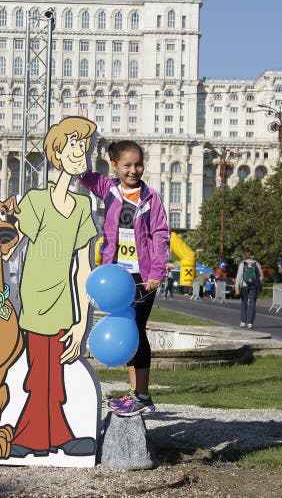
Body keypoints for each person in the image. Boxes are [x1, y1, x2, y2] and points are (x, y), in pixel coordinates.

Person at [0, 115, 99, 458]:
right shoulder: (36, 201)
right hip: (35, 300)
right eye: (75, 145)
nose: (82, 152)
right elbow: (8, 240)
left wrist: (83, 322)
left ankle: (47, 436)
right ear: (58, 153)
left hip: (65, 303)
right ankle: (35, 438)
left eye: (86, 146)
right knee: (40, 372)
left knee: (54, 372)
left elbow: (83, 267)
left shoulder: (83, 206)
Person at [80, 140, 170, 417]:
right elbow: (82, 174)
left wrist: (156, 272)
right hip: (115, 276)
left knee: (136, 332)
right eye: (127, 165)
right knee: (126, 331)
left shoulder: (151, 198)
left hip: (142, 279)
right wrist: (86, 142)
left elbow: (161, 235)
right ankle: (136, 395)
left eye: (138, 164)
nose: (134, 170)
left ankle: (141, 395)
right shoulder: (108, 190)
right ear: (115, 166)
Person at [235, 249, 263, 329]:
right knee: (252, 304)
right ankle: (250, 323)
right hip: (253, 286)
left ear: (246, 256)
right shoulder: (256, 264)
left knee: (244, 303)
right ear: (252, 255)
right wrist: (259, 285)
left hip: (244, 286)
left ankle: (243, 322)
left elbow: (239, 276)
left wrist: (237, 287)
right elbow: (261, 276)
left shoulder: (242, 264)